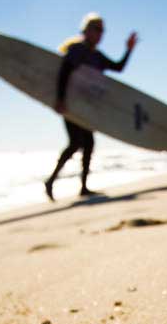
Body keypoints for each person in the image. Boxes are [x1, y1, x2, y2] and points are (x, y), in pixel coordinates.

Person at [44, 13, 138, 201]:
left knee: (88, 144)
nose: (99, 34)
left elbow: (118, 67)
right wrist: (61, 100)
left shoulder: (97, 56)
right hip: (71, 104)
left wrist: (128, 50)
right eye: (96, 29)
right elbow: (63, 73)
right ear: (86, 30)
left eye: (102, 30)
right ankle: (51, 181)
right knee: (75, 143)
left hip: (88, 107)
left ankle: (83, 187)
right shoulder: (77, 50)